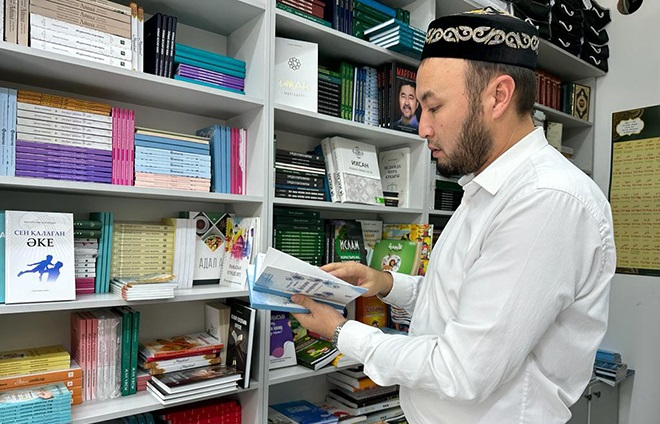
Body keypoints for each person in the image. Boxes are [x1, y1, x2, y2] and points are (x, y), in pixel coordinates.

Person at [291, 7, 616, 424]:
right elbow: (459, 300)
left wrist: (341, 331)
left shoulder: (546, 200)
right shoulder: (486, 187)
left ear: (498, 96)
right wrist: (385, 283)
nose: (422, 127)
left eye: (434, 107)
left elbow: (464, 369)